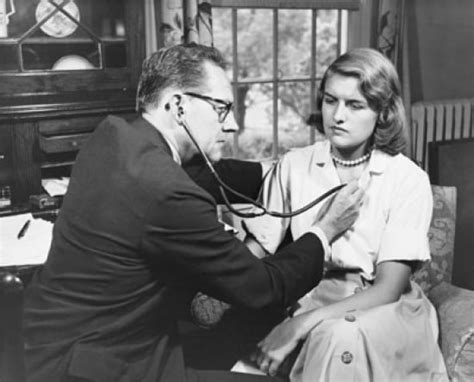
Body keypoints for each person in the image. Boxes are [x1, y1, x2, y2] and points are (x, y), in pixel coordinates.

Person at [23, 43, 364, 382]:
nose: (232, 125)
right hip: (103, 367)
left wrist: (282, 169)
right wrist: (325, 229)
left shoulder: (115, 136)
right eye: (222, 109)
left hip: (57, 344)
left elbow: (199, 174)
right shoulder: (166, 190)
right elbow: (263, 288)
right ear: (177, 105)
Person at [243, 48, 449, 381]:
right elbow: (254, 252)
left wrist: (300, 324)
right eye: (330, 100)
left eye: (355, 105)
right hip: (309, 300)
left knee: (339, 337)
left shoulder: (407, 179)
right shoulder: (295, 165)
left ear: (382, 112)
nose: (338, 116)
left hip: (383, 312)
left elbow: (388, 290)